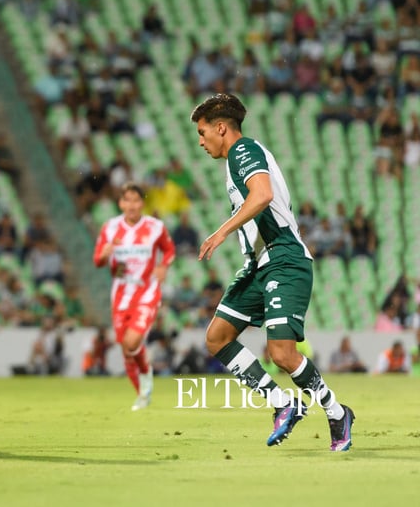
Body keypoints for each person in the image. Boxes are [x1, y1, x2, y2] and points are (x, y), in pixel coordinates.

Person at [191, 93, 354, 451]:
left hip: (284, 258)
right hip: (258, 266)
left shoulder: (242, 150)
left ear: (221, 128)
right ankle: (283, 404)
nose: (201, 142)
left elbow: (262, 195)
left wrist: (221, 231)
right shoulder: (236, 160)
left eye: (203, 133)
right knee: (217, 338)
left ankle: (336, 411)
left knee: (281, 354)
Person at [93, 182, 175, 411]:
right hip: (121, 293)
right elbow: (97, 260)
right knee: (126, 350)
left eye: (136, 200)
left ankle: (146, 373)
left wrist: (164, 266)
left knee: (132, 341)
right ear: (120, 203)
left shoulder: (155, 227)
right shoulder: (110, 228)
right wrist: (105, 254)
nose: (131, 205)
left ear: (142, 203)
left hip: (147, 291)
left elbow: (169, 249)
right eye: (127, 200)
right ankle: (142, 392)